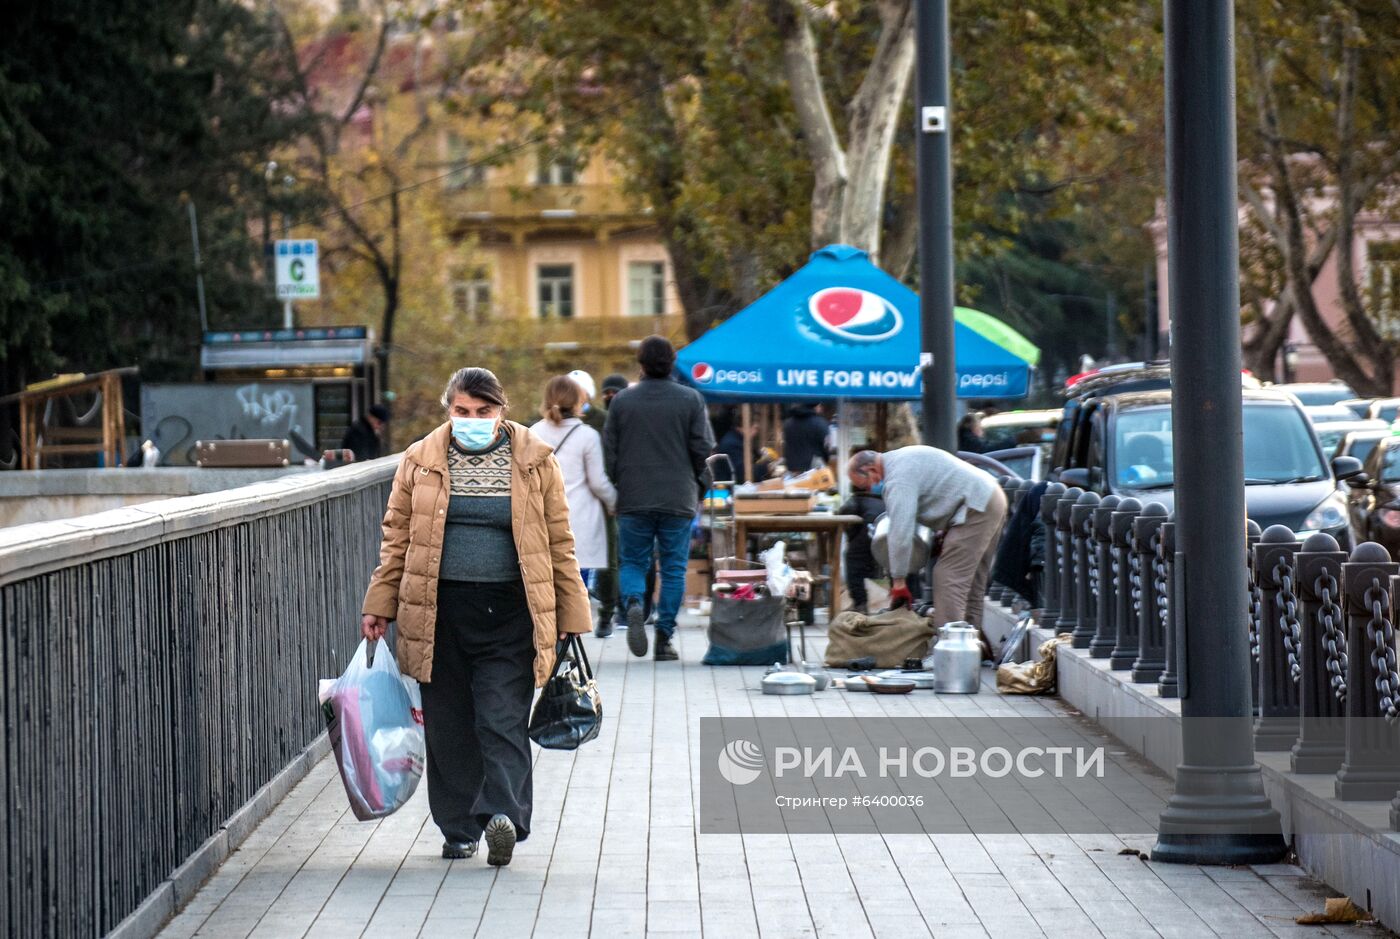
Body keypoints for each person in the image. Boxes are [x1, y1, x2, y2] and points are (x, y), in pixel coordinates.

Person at [360, 367, 590, 866]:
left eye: (483, 413)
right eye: (462, 412)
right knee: (448, 724)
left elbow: (558, 543)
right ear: (449, 410)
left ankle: (503, 816)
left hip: (511, 612)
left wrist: (573, 612)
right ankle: (458, 828)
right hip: (436, 611)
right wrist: (380, 603)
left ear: (502, 410)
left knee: (501, 717)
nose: (472, 421)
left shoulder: (534, 461)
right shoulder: (420, 460)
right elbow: (396, 537)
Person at [604, 335, 714, 660]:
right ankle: (664, 638)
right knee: (674, 568)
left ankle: (636, 602)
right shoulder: (691, 400)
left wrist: (621, 482)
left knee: (633, 561)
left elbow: (608, 452)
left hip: (634, 496)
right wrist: (699, 486)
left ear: (640, 365)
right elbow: (702, 450)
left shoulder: (622, 402)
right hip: (678, 497)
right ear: (673, 362)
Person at [846, 447, 1007, 650]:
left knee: (948, 576)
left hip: (976, 506)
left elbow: (900, 531)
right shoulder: (902, 458)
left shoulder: (897, 479)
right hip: (989, 497)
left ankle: (948, 649)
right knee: (971, 581)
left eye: (866, 484)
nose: (870, 490)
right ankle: (971, 650)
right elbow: (942, 490)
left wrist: (898, 581)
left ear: (870, 469)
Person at [530, 376, 617, 631]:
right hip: (580, 519)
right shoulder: (587, 435)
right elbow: (598, 481)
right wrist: (614, 501)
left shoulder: (533, 433)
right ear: (579, 401)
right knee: (576, 585)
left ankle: (552, 634)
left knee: (549, 583)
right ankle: (571, 635)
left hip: (543, 517)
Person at [837, 481, 884, 614]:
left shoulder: (856, 500)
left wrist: (852, 536)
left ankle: (860, 604)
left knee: (852, 560)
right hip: (886, 539)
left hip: (865, 538)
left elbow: (843, 515)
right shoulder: (884, 501)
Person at [782, 402, 829, 473]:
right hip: (814, 471)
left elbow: (786, 445)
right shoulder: (820, 423)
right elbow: (826, 447)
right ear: (815, 406)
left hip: (793, 471)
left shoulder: (787, 423)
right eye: (820, 406)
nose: (821, 409)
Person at [567, 369, 606, 434]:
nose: (573, 394)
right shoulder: (557, 417)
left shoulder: (604, 418)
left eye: (578, 390)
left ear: (588, 394)